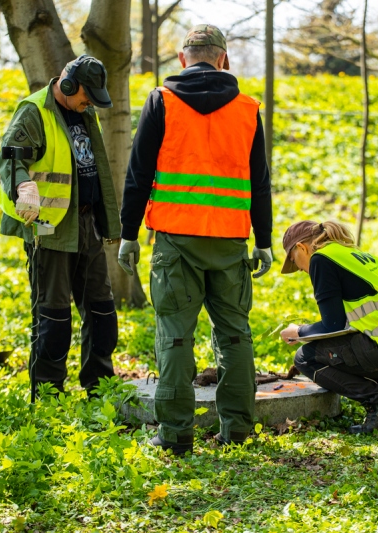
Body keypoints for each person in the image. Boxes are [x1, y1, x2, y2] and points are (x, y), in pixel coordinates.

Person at [118, 24, 273, 455]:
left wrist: (128, 234)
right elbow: (260, 183)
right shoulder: (246, 109)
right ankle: (239, 432)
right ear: (223, 59)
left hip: (174, 239)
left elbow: (138, 175)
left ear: (183, 60)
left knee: (175, 336)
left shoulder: (162, 101)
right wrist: (264, 240)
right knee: (235, 335)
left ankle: (174, 437)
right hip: (229, 242)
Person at [0, 55, 122, 401]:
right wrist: (24, 186)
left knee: (102, 313)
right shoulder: (34, 112)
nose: (89, 103)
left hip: (89, 225)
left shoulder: (84, 111)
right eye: (86, 95)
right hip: (50, 229)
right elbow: (11, 159)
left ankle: (100, 390)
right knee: (52, 319)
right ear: (67, 84)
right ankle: (49, 396)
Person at [279, 220, 378, 433]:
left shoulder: (321, 259)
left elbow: (332, 325)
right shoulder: (354, 255)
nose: (300, 269)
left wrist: (299, 332)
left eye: (294, 260)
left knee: (305, 357)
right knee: (343, 353)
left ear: (302, 247)